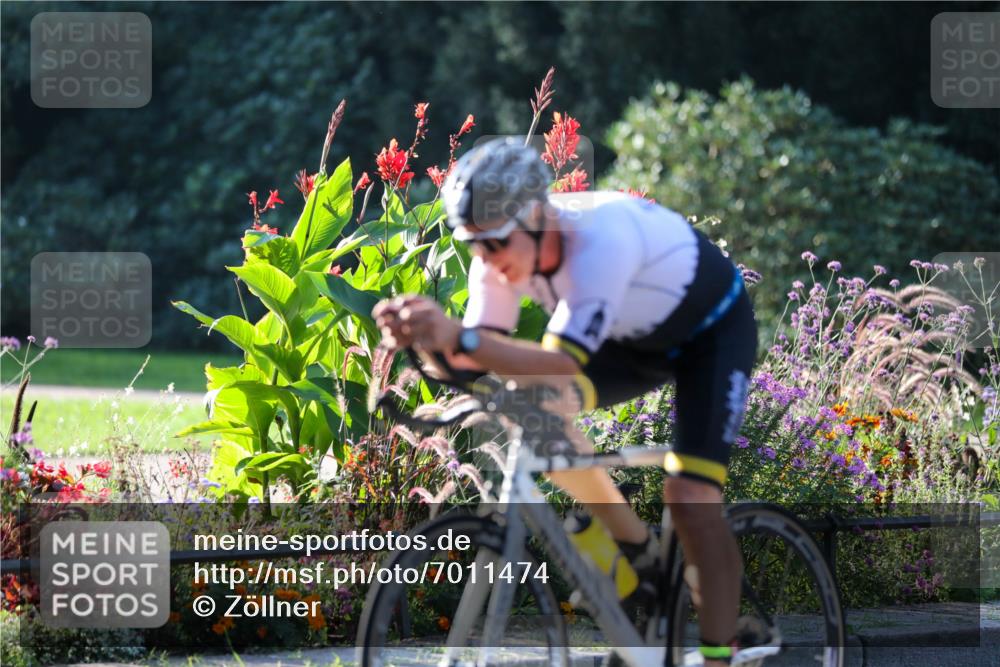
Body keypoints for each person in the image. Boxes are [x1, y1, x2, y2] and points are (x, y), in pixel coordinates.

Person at [373, 137, 759, 665]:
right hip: (624, 341)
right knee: (534, 413)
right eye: (474, 244)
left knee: (688, 495)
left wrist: (456, 336)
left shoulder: (600, 242)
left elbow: (560, 363)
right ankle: (637, 554)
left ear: (535, 215)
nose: (486, 258)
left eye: (496, 243)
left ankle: (721, 653)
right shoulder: (499, 257)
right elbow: (476, 360)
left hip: (708, 334)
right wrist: (428, 341)